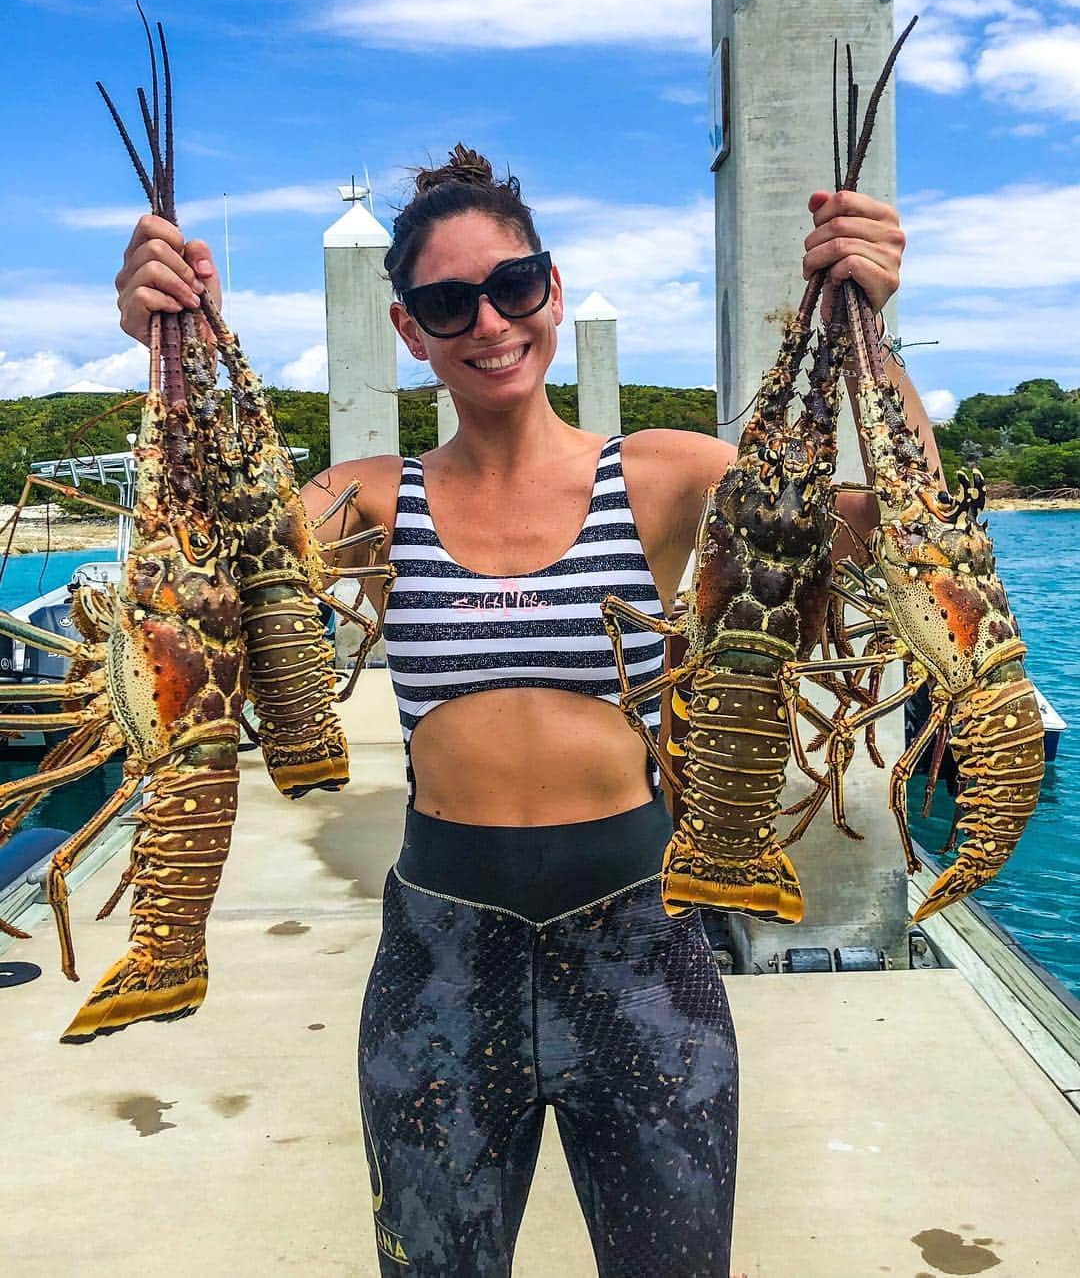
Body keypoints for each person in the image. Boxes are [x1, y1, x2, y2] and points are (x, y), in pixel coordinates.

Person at [115, 145, 930, 1278]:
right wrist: (168, 345)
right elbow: (202, 569)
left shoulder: (662, 473)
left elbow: (897, 526)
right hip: (442, 952)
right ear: (409, 331)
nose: (489, 322)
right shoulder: (365, 502)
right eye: (449, 303)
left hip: (644, 943)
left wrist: (867, 333)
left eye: (514, 285)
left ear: (550, 283)